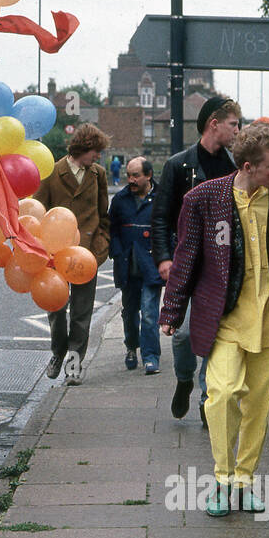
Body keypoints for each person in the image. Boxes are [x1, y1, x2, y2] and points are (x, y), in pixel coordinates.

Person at [159, 123, 269, 515]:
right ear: (248, 166)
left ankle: (246, 480)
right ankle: (222, 477)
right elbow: (186, 257)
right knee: (223, 393)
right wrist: (172, 310)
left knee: (260, 404)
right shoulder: (203, 199)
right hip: (224, 318)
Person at [152, 96, 241, 423]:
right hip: (187, 263)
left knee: (217, 334)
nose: (237, 131)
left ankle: (209, 401)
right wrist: (163, 257)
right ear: (213, 124)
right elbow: (160, 216)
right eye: (233, 124)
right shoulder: (179, 165)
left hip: (222, 266)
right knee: (184, 334)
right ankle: (185, 378)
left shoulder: (235, 166)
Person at [34, 123, 111, 386]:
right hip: (55, 254)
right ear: (83, 148)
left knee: (82, 312)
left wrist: (103, 243)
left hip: (87, 254)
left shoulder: (98, 174)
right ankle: (57, 353)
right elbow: (39, 210)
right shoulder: (53, 172)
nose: (98, 157)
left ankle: (74, 366)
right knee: (56, 308)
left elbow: (104, 213)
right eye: (95, 151)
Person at [109, 156, 163, 374]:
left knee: (149, 313)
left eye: (135, 175)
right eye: (128, 175)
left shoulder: (161, 199)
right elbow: (111, 229)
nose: (130, 179)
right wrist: (117, 251)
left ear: (148, 175)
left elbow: (169, 230)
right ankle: (131, 347)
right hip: (127, 266)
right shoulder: (120, 200)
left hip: (151, 265)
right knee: (130, 312)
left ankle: (151, 357)